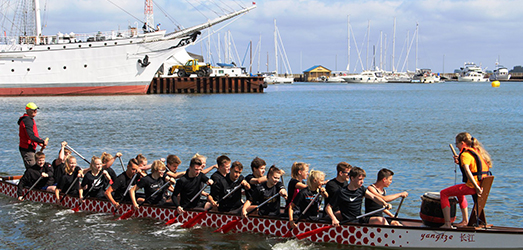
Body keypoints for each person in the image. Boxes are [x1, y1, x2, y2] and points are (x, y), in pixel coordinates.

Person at [440, 132, 492, 229]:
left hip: (474, 186)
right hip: (483, 184)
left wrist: (476, 187)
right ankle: (465, 221)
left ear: (463, 143)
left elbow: (468, 171)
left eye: (457, 144)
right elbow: (474, 166)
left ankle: (447, 224)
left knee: (443, 193)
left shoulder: (465, 155)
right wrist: (460, 162)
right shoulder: (476, 151)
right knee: (459, 193)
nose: (456, 147)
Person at [326, 167, 392, 226]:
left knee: (381, 220)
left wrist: (384, 203)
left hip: (359, 218)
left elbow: (373, 197)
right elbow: (328, 207)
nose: (362, 182)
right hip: (348, 222)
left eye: (363, 179)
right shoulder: (342, 192)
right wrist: (334, 219)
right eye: (360, 179)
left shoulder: (361, 189)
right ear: (352, 178)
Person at [18, 102, 48, 169]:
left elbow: (33, 135)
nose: (35, 111)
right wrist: (42, 141)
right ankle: (27, 179)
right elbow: (30, 136)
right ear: (28, 110)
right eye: (33, 110)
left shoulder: (29, 120)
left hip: (30, 148)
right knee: (32, 169)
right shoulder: (27, 120)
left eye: (36, 110)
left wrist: (38, 142)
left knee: (34, 167)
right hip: (27, 149)